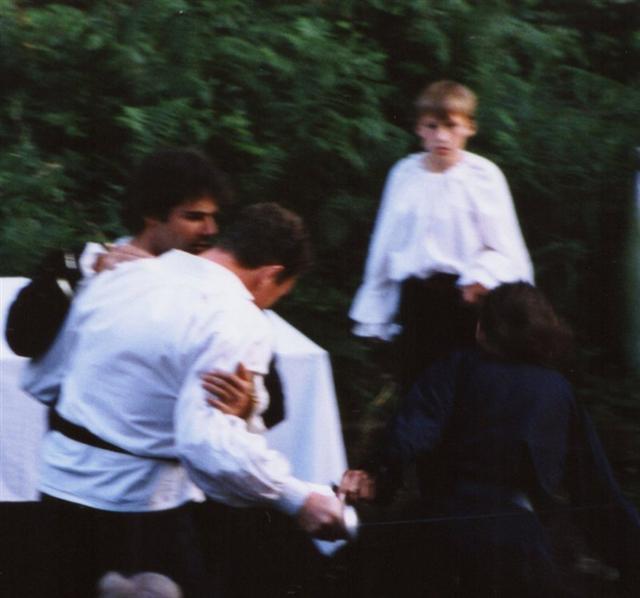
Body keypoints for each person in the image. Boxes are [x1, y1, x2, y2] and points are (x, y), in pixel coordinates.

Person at [22, 203, 346, 597]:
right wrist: (299, 499)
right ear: (269, 275)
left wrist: (246, 410)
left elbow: (43, 381)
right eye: (279, 294)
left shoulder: (122, 273)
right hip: (137, 514)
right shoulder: (235, 318)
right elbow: (207, 446)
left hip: (57, 494)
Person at [341, 283, 640, 597]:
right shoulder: (558, 392)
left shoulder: (455, 368)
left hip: (436, 531)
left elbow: (410, 433)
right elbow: (595, 490)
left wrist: (377, 475)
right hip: (517, 547)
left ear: (481, 330)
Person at [349, 81, 533, 391]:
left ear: (470, 127)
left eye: (451, 126)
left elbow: (507, 247)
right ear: (419, 128)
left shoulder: (483, 176)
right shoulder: (404, 175)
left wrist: (481, 277)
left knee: (466, 391)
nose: (442, 136)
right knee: (417, 389)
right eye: (432, 126)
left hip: (466, 303)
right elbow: (384, 243)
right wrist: (376, 307)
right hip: (416, 302)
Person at [5, 147, 230, 359]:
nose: (211, 230)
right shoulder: (80, 262)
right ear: (152, 214)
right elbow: (21, 341)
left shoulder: (207, 285)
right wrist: (83, 275)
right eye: (195, 217)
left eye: (213, 217)